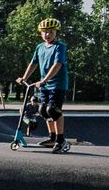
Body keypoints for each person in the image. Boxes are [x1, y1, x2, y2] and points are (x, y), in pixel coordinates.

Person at [16, 17, 71, 152]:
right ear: (41, 33)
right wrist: (24, 78)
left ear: (56, 33)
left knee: (53, 110)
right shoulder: (39, 47)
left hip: (57, 84)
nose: (47, 35)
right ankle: (52, 138)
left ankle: (61, 140)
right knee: (42, 110)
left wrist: (45, 79)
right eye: (45, 32)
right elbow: (33, 63)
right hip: (44, 85)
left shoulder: (60, 46)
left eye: (51, 32)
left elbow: (57, 65)